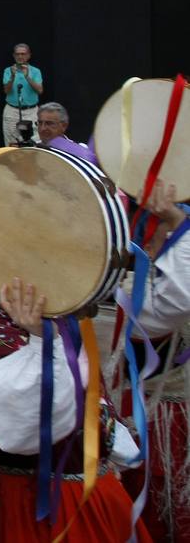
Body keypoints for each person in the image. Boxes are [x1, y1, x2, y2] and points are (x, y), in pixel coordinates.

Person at [0, 279, 150, 542]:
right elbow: (27, 429)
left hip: (75, 494)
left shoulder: (59, 321)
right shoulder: (1, 338)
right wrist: (44, 342)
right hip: (37, 509)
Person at [121, 181, 190, 541]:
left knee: (165, 487)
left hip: (171, 409)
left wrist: (178, 221)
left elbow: (169, 304)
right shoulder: (139, 291)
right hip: (152, 403)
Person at [2, 43, 44, 146]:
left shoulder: (35, 71)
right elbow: (6, 91)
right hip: (12, 111)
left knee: (35, 142)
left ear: (29, 55)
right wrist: (12, 76)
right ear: (14, 56)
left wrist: (27, 77)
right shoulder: (8, 70)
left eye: (23, 54)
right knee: (11, 144)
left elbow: (40, 90)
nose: (20, 56)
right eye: (18, 54)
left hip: (31, 111)